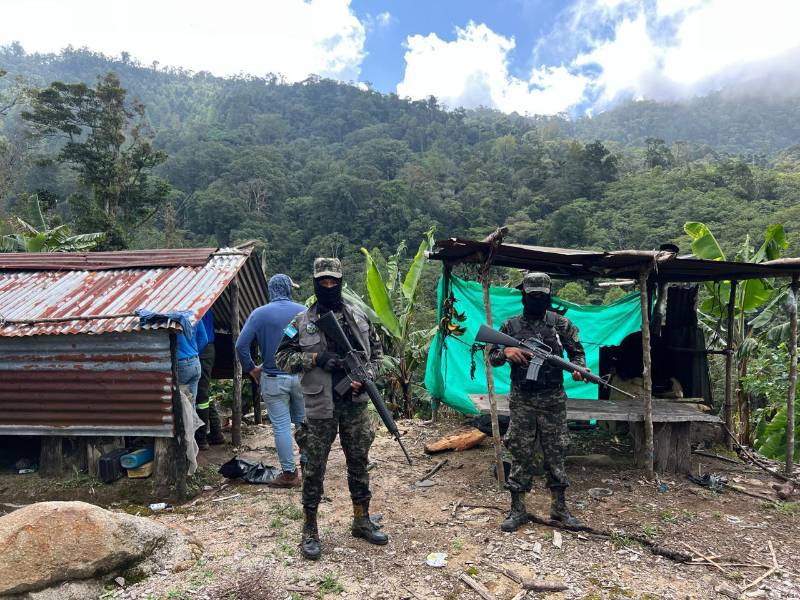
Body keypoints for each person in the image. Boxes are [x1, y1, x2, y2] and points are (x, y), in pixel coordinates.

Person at [275, 257, 387, 561]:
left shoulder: (358, 316)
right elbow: (280, 358)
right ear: (315, 283)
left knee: (359, 463)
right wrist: (316, 360)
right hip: (319, 405)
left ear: (340, 282)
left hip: (354, 405)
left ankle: (361, 519)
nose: (328, 286)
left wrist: (365, 380)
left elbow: (377, 357)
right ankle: (309, 530)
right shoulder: (301, 321)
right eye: (322, 282)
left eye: (333, 282)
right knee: (313, 469)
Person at [488, 272, 587, 532]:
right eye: (532, 295)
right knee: (520, 451)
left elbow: (577, 354)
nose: (536, 300)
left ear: (548, 295)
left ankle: (559, 508)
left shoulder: (562, 324)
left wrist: (578, 368)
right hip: (522, 398)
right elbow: (492, 357)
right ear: (523, 295)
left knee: (557, 451)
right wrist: (506, 351)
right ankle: (517, 510)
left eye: (541, 296)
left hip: (553, 398)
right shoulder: (510, 326)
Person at [236, 274, 306, 487]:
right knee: (304, 424)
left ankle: (289, 474)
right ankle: (310, 468)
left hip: (273, 378)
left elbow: (241, 345)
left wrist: (252, 369)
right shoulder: (303, 311)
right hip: (302, 377)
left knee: (282, 427)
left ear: (271, 291)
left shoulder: (259, 314)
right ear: (288, 289)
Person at [195, 310, 225, 449]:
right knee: (204, 392)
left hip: (202, 350)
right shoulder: (206, 305)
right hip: (205, 349)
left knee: (201, 396)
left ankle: (201, 439)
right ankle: (216, 433)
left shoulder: (199, 306)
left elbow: (202, 338)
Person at [176, 316, 208, 409]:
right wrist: (195, 351)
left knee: (180, 402)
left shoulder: (173, 318)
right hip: (195, 363)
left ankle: (183, 424)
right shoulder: (196, 316)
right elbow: (204, 339)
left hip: (181, 365)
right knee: (191, 403)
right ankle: (191, 424)